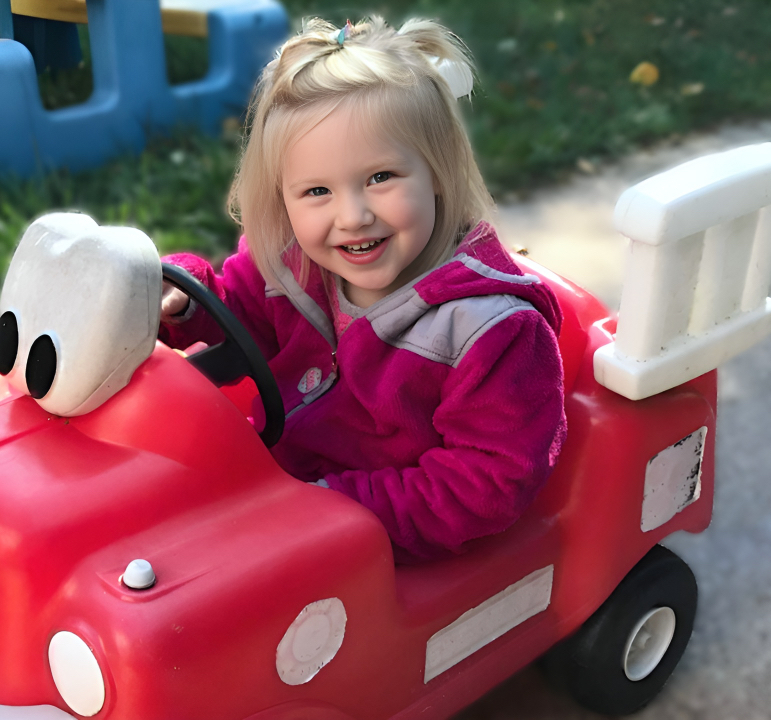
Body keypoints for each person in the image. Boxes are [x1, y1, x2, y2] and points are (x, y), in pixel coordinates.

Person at [158, 17, 566, 563]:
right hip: (274, 489)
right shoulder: (290, 265)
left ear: (438, 172)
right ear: (284, 198)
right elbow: (238, 315)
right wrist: (183, 303)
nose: (352, 216)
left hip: (382, 539)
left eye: (380, 178)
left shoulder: (489, 332)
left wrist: (336, 509)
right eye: (318, 191)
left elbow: (485, 483)